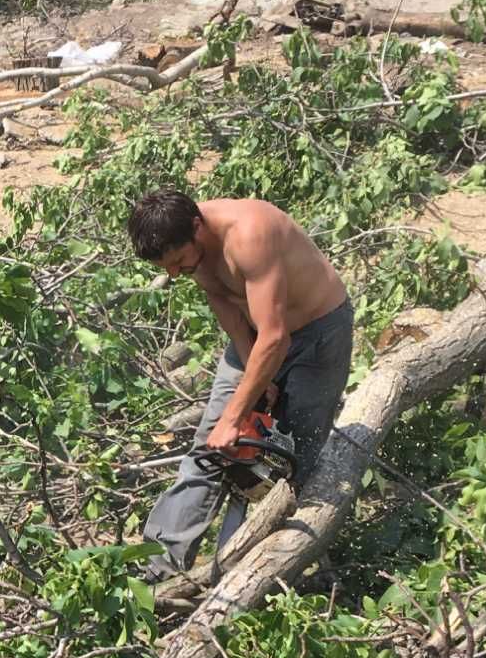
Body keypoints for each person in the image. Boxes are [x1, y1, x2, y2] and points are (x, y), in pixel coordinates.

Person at [128, 190, 354, 583]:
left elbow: (277, 337)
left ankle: (266, 569)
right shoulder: (188, 249)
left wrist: (236, 416)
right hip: (254, 337)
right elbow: (226, 306)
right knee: (211, 449)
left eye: (180, 262)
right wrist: (251, 377)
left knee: (288, 462)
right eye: (170, 269)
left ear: (197, 227)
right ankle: (158, 568)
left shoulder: (250, 234)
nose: (177, 274)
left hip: (317, 336)